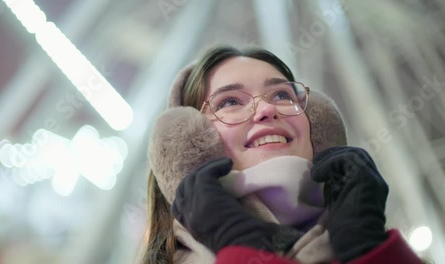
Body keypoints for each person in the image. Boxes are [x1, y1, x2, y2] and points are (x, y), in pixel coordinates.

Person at [140, 45, 423, 263]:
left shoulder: (374, 241)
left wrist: (369, 249)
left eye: (282, 95)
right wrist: (242, 247)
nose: (267, 109)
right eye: (229, 101)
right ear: (189, 148)